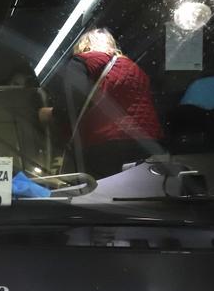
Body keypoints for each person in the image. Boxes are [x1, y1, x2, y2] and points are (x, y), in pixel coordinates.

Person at [40, 28, 163, 178]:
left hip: (106, 145)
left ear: (84, 46)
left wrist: (50, 114)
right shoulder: (135, 68)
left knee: (102, 196)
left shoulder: (83, 60)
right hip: (149, 143)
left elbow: (71, 104)